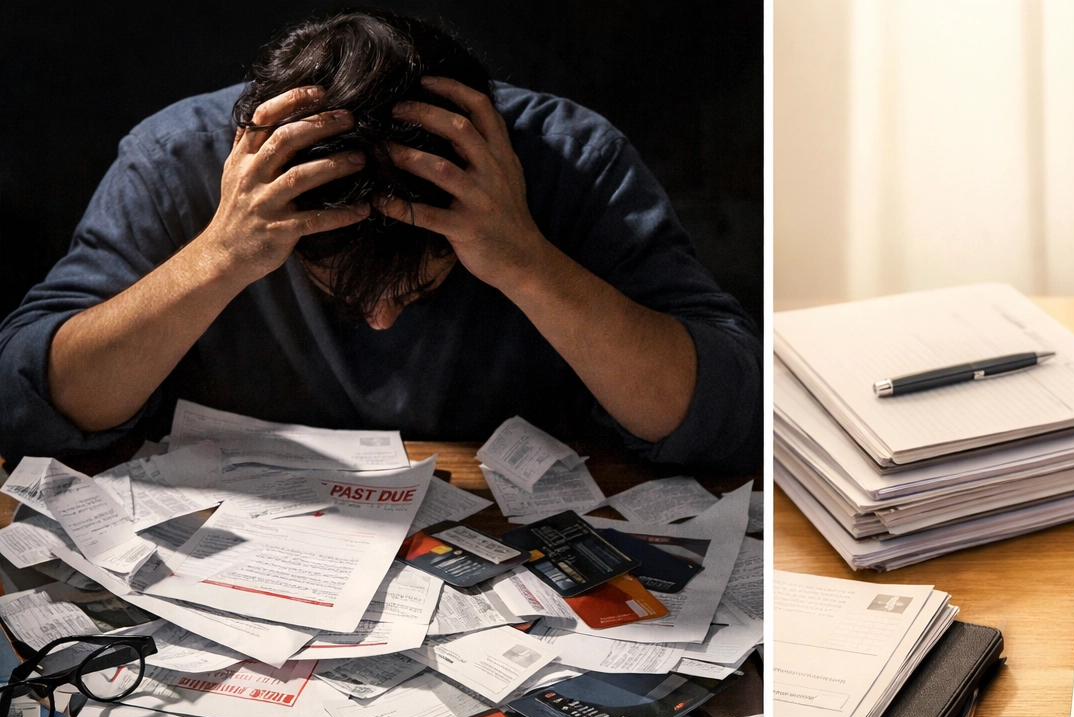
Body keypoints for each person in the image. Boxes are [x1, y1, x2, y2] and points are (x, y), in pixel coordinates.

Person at [0, 10, 761, 470]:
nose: (382, 321)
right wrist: (218, 258)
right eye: (340, 289)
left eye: (423, 281)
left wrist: (528, 263)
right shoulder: (177, 160)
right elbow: (22, 402)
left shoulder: (574, 159)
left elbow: (733, 413)